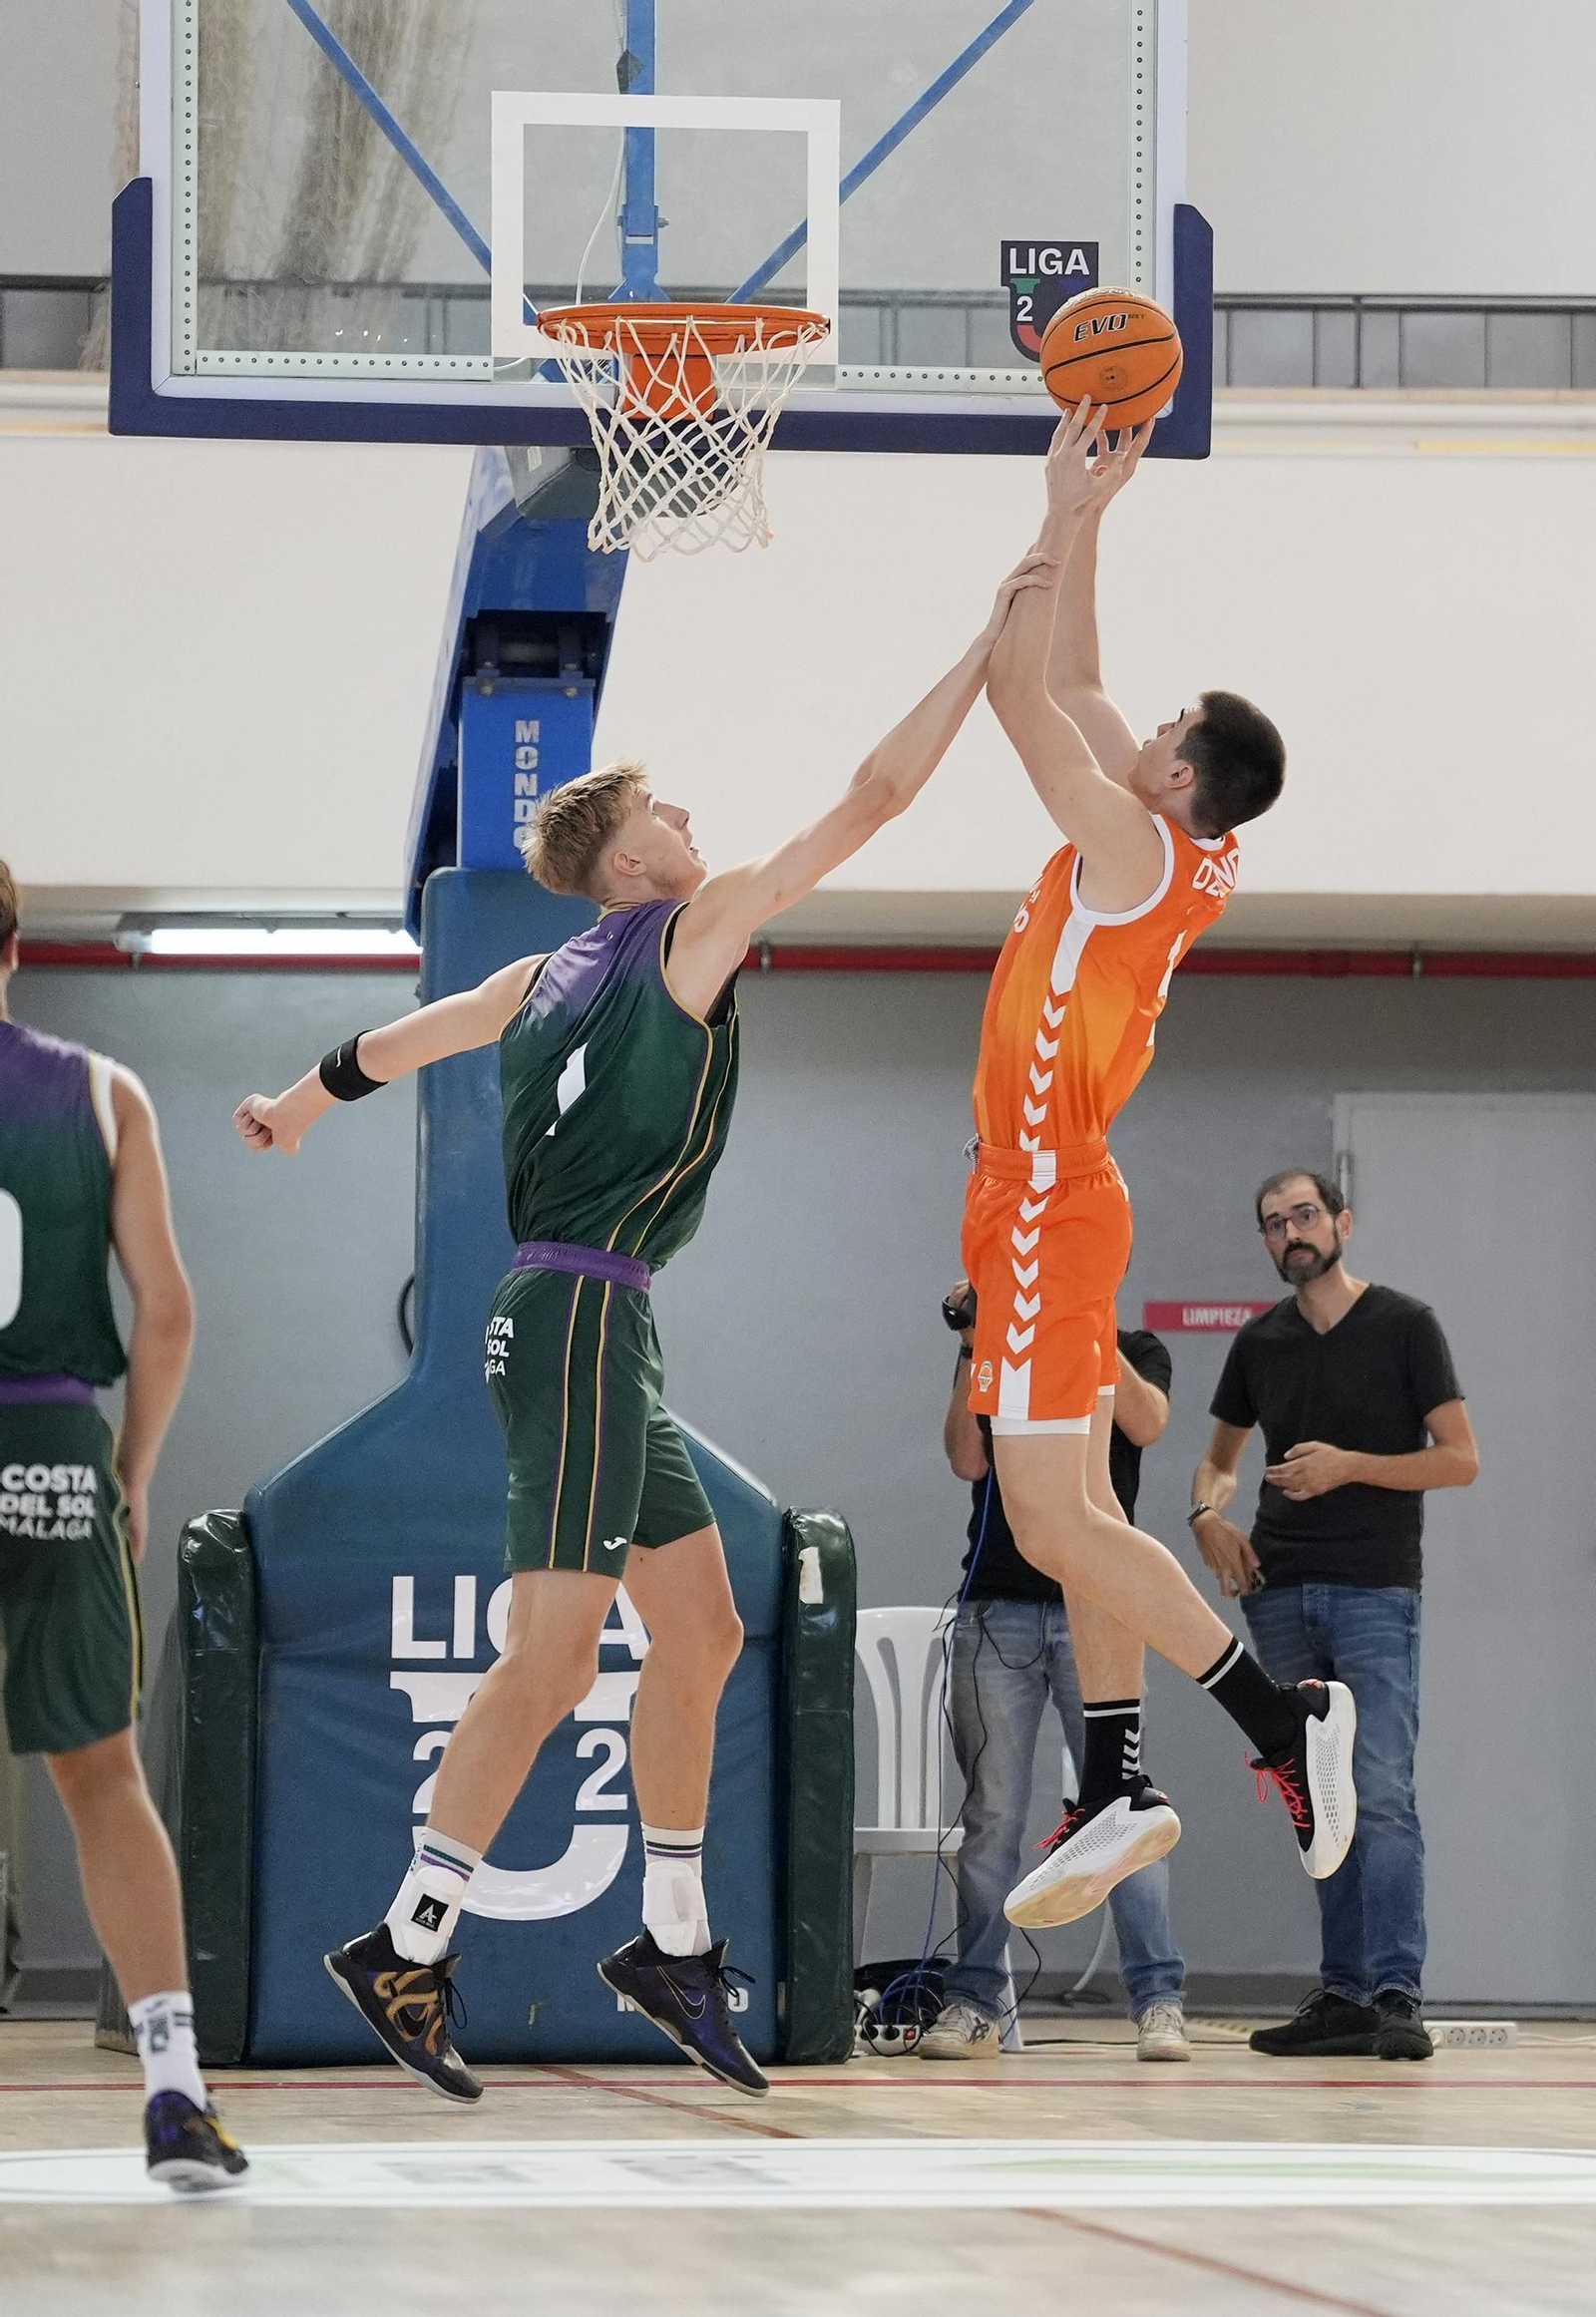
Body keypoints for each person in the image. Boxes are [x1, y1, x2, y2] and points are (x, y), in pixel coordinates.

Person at [232, 554, 1057, 2105]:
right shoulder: (687, 930)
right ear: (630, 861)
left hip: (589, 1319)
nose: (690, 818)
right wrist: (982, 649)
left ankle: (673, 1936)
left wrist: (298, 1099)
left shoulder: (540, 973)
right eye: (665, 810)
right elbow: (875, 796)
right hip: (581, 1318)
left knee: (705, 1627)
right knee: (550, 1655)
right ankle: (408, 1936)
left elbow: (403, 1039)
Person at [963, 402, 1356, 1939]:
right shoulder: (1173, 840)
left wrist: (1050, 523)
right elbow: (1074, 681)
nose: (1138, 722)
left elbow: (1020, 691)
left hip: (1047, 1197)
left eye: (1163, 725)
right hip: (1044, 1194)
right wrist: (1093, 513)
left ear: (1179, 769)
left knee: (1050, 1521)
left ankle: (1277, 1720)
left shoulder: (1129, 854)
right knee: (1075, 1509)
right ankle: (1120, 1776)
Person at [0, 860, 247, 2191]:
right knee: (102, 1778)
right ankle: (173, 2094)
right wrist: (133, 1468)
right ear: (14, 946)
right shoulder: (102, 1091)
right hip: (51, 1447)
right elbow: (167, 1308)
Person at [1190, 1169, 1479, 2063]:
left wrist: (1349, 1464)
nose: (1292, 1233)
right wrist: (1206, 1517)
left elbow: (1459, 1458)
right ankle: (1345, 1994)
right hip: (1278, 1591)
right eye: (1275, 1223)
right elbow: (1218, 1462)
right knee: (1318, 1798)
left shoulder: (1405, 1324)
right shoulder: (1260, 1341)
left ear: (1342, 1221)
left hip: (1374, 1589)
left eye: (1305, 1215)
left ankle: (1395, 1993)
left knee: (1381, 1790)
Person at [920, 1279, 1189, 2064]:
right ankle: (974, 2001)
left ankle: (1160, 2000)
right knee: (992, 1815)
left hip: (1098, 1610)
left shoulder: (1134, 1348)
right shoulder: (1000, 1350)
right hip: (998, 1607)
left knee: (1124, 1812)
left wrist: (1085, 1322)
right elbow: (966, 1456)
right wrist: (975, 1340)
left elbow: (1148, 1420)